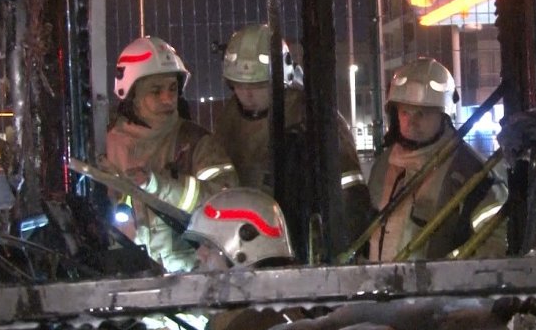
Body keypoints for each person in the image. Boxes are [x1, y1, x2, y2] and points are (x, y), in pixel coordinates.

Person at [213, 24, 370, 261]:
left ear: (281, 78)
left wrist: (347, 248)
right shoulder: (229, 118)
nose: (247, 94)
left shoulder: (311, 116)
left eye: (257, 85)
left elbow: (350, 191)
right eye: (239, 85)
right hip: (243, 247)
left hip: (302, 244)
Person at [104, 36, 238, 273]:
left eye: (172, 89)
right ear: (132, 94)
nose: (167, 99)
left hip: (190, 282)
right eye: (156, 91)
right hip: (131, 278)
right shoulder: (111, 144)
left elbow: (228, 201)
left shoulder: (197, 143)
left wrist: (160, 186)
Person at [367, 57, 507, 261]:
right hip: (379, 288)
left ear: (444, 116)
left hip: (438, 290)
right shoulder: (384, 163)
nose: (411, 122)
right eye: (405, 112)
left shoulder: (471, 172)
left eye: (422, 114)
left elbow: (495, 244)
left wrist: (445, 273)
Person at [183, 187, 303, 330]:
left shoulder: (257, 326)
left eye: (209, 245)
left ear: (242, 254)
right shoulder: (245, 315)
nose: (199, 254)